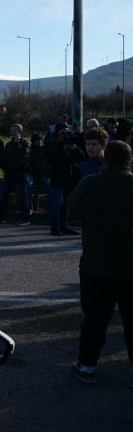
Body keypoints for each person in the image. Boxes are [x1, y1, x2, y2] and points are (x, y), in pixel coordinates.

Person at [67, 140, 133, 385]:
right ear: (129, 161)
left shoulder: (90, 183)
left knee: (94, 320)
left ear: (105, 160)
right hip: (129, 266)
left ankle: (87, 365)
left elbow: (72, 211)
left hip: (97, 265)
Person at [46, 128, 84, 236]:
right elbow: (50, 157)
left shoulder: (72, 147)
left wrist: (74, 148)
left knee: (65, 205)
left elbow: (82, 157)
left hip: (68, 179)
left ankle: (63, 226)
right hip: (56, 179)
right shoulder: (53, 144)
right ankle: (54, 227)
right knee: (57, 204)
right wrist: (60, 145)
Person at [0, 124, 32, 226]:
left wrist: (17, 142)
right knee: (5, 195)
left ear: (20, 132)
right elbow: (4, 157)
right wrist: (5, 169)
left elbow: (23, 154)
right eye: (11, 130)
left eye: (15, 130)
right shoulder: (8, 144)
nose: (12, 132)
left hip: (21, 173)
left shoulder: (25, 143)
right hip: (10, 173)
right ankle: (2, 216)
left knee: (23, 196)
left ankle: (25, 218)